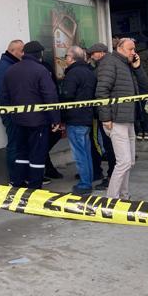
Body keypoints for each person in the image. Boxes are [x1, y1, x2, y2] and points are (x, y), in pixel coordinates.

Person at [2, 41, 61, 189]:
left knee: (21, 153)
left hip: (18, 120)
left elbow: (4, 96)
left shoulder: (10, 70)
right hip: (38, 121)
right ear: (39, 54)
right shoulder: (41, 70)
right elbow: (50, 96)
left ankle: (18, 183)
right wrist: (55, 119)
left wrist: (12, 114)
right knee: (37, 154)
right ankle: (35, 186)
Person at [95, 38, 148, 200]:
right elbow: (102, 92)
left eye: (134, 49)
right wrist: (106, 118)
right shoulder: (109, 62)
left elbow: (145, 86)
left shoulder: (127, 64)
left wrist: (137, 68)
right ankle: (112, 199)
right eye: (130, 49)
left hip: (129, 118)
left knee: (129, 162)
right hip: (116, 119)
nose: (134, 52)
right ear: (120, 48)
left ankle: (124, 196)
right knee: (124, 162)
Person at [60, 46, 96, 194]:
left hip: (75, 118)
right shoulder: (89, 72)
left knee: (79, 153)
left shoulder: (73, 73)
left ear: (72, 58)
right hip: (86, 117)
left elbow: (67, 95)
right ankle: (88, 179)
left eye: (66, 56)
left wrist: (61, 116)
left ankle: (85, 184)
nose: (65, 59)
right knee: (86, 152)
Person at [0, 39, 24, 185]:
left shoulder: (12, 65)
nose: (23, 54)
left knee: (19, 145)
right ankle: (15, 180)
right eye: (21, 50)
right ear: (12, 51)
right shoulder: (4, 67)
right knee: (14, 145)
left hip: (18, 113)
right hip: (12, 114)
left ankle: (21, 177)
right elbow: (3, 94)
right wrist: (13, 112)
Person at [87, 43, 115, 189]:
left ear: (101, 53)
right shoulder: (111, 63)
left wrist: (105, 117)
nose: (92, 57)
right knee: (111, 146)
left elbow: (102, 92)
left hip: (107, 113)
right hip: (112, 112)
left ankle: (112, 177)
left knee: (109, 145)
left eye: (93, 54)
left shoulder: (103, 67)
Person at [135, 37, 148, 140]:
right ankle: (147, 131)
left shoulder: (133, 53)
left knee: (137, 109)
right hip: (146, 86)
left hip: (135, 86)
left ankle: (139, 131)